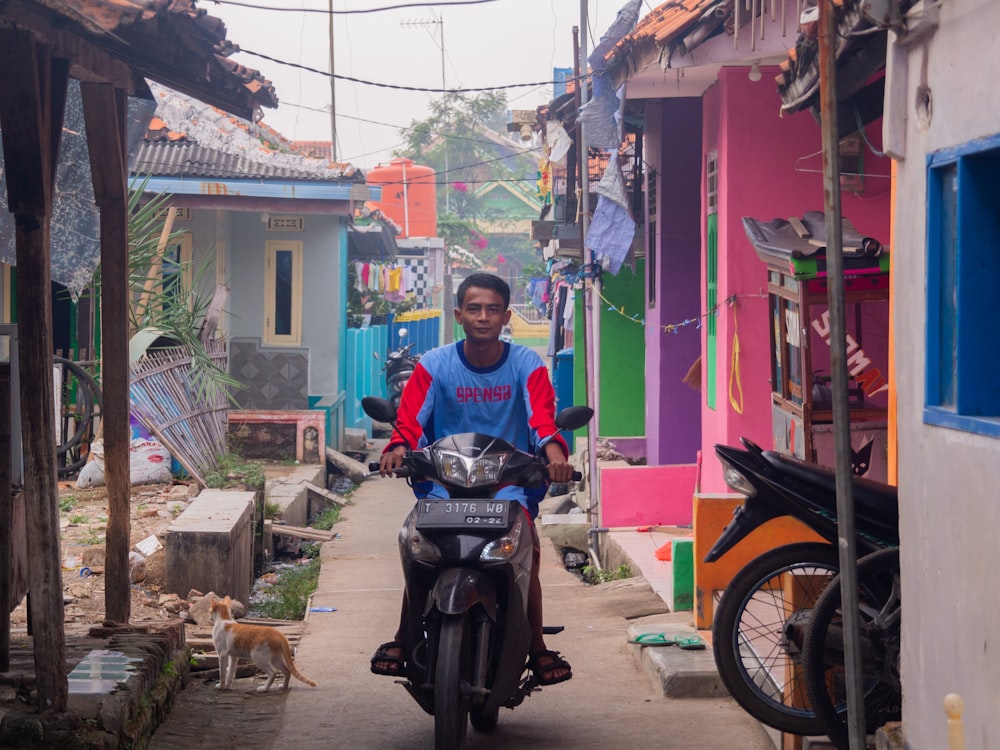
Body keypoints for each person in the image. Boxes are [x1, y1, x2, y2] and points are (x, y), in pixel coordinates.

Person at [370, 272, 575, 686]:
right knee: (420, 548)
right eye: (475, 308)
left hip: (508, 482)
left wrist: (554, 456)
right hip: (443, 481)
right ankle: (403, 634)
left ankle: (535, 644)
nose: (484, 317)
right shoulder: (434, 364)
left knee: (527, 552)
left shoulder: (526, 364)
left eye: (493, 309)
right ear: (459, 314)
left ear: (506, 316)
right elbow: (410, 420)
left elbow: (541, 419)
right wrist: (396, 449)